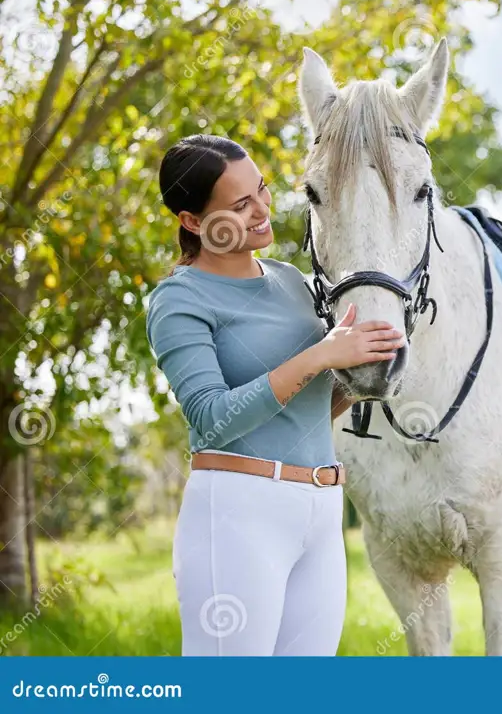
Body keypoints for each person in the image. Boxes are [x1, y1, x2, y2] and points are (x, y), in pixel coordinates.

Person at [145, 134, 404, 656]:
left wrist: (363, 372)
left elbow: (307, 408)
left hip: (321, 508)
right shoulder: (179, 300)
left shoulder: (292, 281)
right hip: (239, 512)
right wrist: (320, 356)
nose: (263, 210)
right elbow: (212, 419)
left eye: (261, 190)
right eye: (240, 205)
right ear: (192, 222)